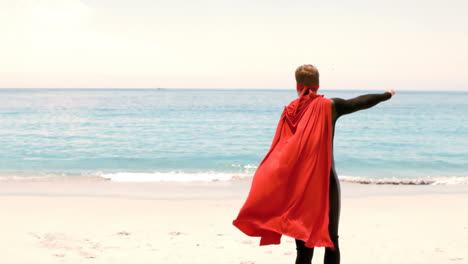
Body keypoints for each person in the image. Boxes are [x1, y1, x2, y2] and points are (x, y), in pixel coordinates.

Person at [233, 64, 395, 264]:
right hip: (325, 183)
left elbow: (282, 149)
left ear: (297, 85)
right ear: (318, 84)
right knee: (331, 241)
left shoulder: (289, 111)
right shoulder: (330, 106)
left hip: (298, 186)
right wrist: (385, 95)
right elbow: (360, 102)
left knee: (303, 246)